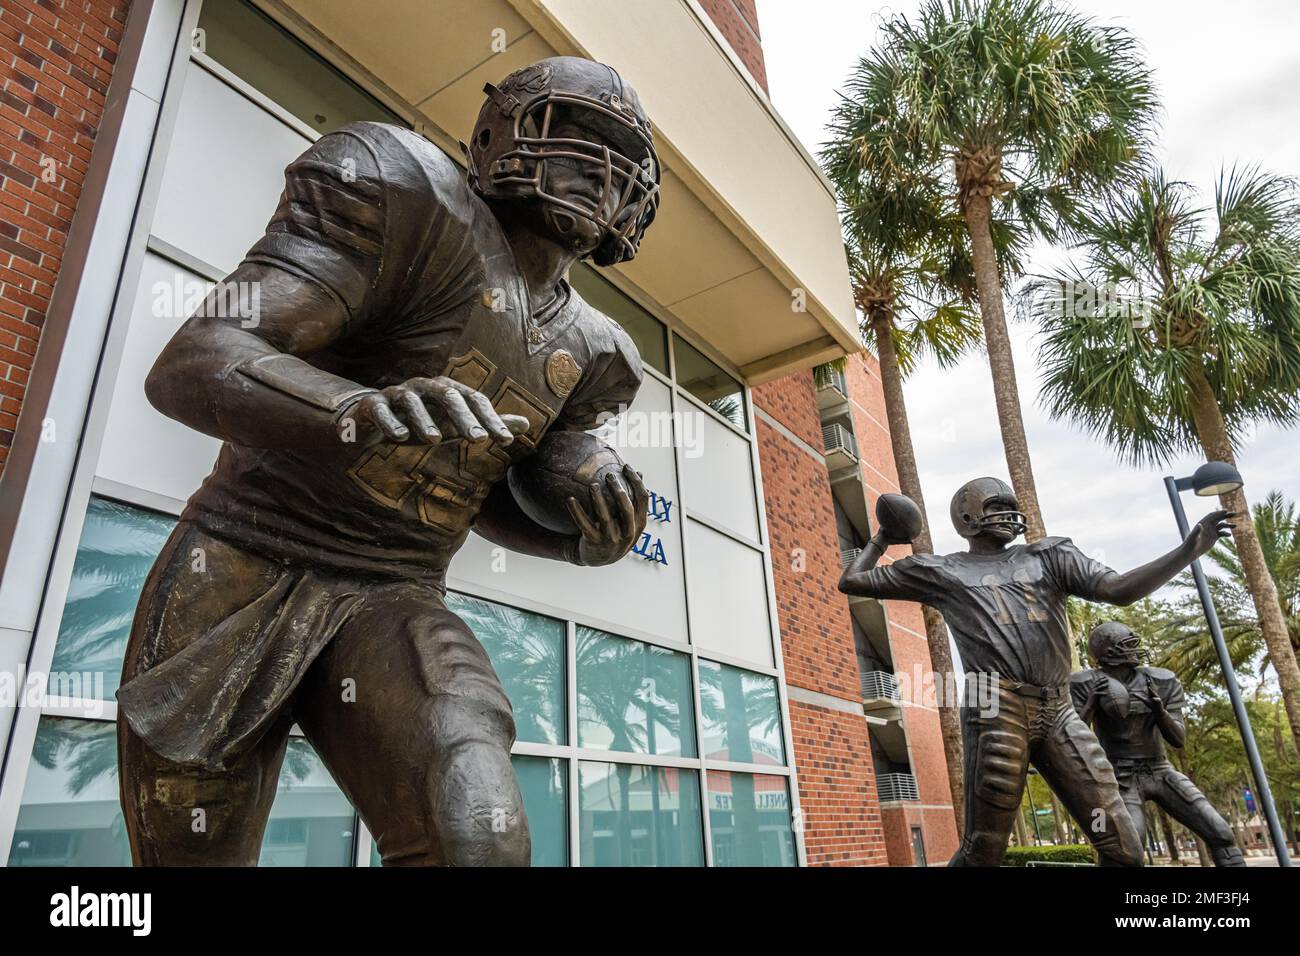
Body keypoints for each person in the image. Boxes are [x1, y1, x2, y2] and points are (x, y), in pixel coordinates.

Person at [116, 57, 660, 866]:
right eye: (576, 135)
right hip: (243, 554)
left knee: (477, 830)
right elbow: (196, 360)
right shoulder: (402, 193)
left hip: (392, 590)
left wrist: (581, 528)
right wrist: (349, 409)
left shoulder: (597, 350)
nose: (599, 170)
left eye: (618, 154)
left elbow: (491, 491)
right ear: (491, 137)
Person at [839, 476, 1233, 866]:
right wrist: (883, 538)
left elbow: (1118, 590)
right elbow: (853, 580)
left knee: (1123, 848)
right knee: (984, 849)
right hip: (997, 708)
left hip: (1059, 708)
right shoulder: (944, 571)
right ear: (967, 516)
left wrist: (1186, 552)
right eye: (996, 506)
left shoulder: (1048, 556)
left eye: (1011, 505)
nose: (1009, 513)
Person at [1072, 622, 1245, 867]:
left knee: (1221, 832)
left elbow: (1178, 739)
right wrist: (1091, 704)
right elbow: (1073, 736)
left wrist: (1160, 711)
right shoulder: (1085, 683)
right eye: (1127, 645)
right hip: (1120, 775)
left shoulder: (1159, 680)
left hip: (1159, 769)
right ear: (1108, 652)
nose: (1135, 649)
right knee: (1126, 852)